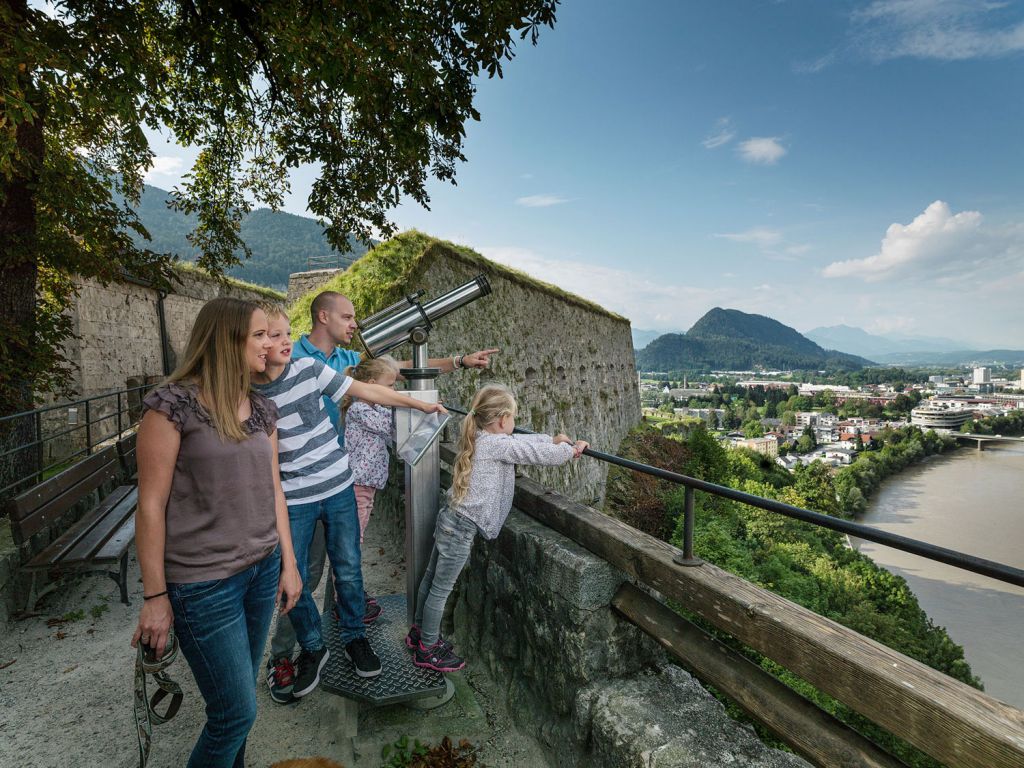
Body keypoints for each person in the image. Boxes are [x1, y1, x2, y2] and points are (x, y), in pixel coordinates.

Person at [265, 289, 498, 695]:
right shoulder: (294, 361)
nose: (356, 325)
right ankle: (284, 654)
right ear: (324, 317)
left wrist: (457, 363)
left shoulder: (345, 363)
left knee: (345, 566)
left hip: (338, 481)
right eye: (348, 316)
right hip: (305, 486)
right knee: (308, 572)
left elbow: (397, 370)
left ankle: (342, 636)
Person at [131, 297, 302, 768]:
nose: (273, 344)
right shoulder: (171, 407)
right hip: (203, 584)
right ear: (227, 341)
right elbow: (150, 506)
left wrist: (289, 565)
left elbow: (275, 492)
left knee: (240, 705)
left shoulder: (261, 409)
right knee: (234, 713)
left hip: (262, 571)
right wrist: (155, 597)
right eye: (261, 335)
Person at [407, 384, 588, 672]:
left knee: (431, 578)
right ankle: (427, 649)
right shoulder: (496, 446)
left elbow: (522, 443)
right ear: (503, 419)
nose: (514, 424)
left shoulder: (481, 437)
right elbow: (532, 453)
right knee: (441, 588)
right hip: (461, 528)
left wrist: (551, 439)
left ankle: (418, 633)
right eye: (513, 418)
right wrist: (571, 449)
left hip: (450, 518)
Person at [342, 355, 402, 544]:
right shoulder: (359, 409)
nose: (394, 391)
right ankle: (346, 571)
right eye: (390, 386)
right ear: (372, 384)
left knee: (360, 525)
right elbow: (391, 426)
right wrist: (412, 405)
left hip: (368, 481)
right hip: (358, 480)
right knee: (353, 535)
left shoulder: (375, 408)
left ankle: (345, 568)